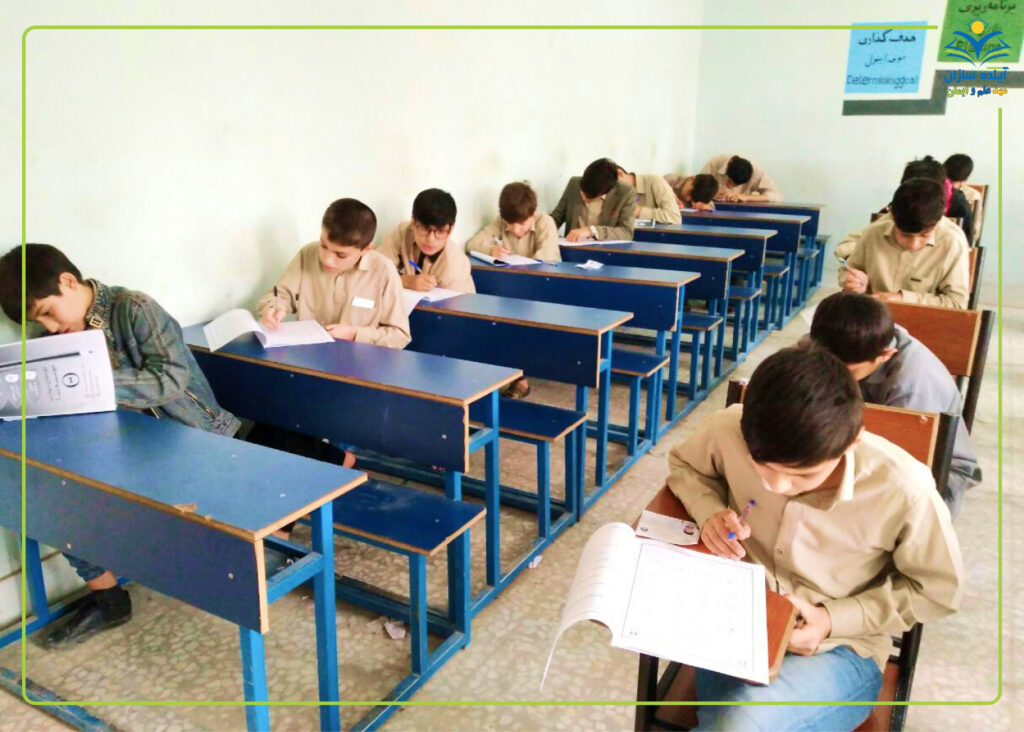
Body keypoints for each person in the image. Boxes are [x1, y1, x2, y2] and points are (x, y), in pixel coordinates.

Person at [665, 346, 962, 730]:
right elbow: (685, 465)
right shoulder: (728, 428)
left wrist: (830, 619)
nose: (776, 486)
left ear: (852, 443)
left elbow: (937, 590)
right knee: (737, 722)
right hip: (738, 621)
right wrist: (709, 512)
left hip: (839, 648)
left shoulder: (903, 489)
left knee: (740, 723)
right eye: (761, 467)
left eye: (802, 475)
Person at [0, 243, 241, 647]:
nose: (49, 326)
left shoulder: (133, 308)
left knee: (78, 498)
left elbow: (170, 380)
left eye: (47, 312)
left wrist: (89, 380)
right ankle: (109, 599)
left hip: (191, 439)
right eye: (37, 320)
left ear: (68, 282)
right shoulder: (54, 340)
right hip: (125, 449)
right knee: (48, 492)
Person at [810, 291, 981, 517]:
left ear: (885, 355)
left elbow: (901, 464)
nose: (835, 373)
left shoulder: (912, 387)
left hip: (934, 468)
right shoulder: (834, 340)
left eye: (848, 370)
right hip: (858, 438)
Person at [258, 197, 410, 348]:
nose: (327, 260)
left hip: (358, 358)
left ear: (366, 249)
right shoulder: (308, 254)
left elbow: (399, 336)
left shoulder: (384, 271)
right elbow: (280, 295)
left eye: (341, 255)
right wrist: (274, 308)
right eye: (323, 246)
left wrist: (355, 334)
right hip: (308, 354)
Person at [839, 178, 970, 309]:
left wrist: (902, 298)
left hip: (924, 319)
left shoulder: (952, 242)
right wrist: (852, 281)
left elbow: (957, 303)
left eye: (924, 235)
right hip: (872, 315)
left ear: (939, 219)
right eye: (905, 235)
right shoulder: (874, 234)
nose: (914, 244)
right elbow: (848, 270)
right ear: (892, 216)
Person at [378, 188, 475, 293]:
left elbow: (453, 303)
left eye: (440, 231)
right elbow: (376, 271)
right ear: (413, 222)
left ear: (451, 229)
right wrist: (406, 281)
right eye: (424, 228)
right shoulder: (402, 232)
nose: (430, 239)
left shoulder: (455, 264)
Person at [465, 181, 560, 262]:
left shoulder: (546, 222)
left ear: (534, 212)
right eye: (510, 223)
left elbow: (544, 260)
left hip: (545, 276)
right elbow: (471, 244)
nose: (515, 230)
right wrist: (490, 250)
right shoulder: (502, 220)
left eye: (522, 223)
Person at [550, 158, 635, 242]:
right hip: (572, 246)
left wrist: (592, 230)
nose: (582, 196)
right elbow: (556, 218)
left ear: (604, 192)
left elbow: (626, 233)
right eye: (582, 190)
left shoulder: (626, 193)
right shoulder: (574, 184)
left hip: (604, 249)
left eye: (588, 195)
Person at [699, 153, 782, 202]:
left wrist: (747, 197)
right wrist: (713, 194)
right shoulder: (715, 163)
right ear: (726, 170)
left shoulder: (757, 172)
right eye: (729, 182)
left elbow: (777, 196)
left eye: (735, 185)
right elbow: (697, 189)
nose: (730, 187)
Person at [615, 165, 681, 224]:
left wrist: (638, 211)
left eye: (612, 185)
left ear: (620, 173)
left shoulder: (655, 181)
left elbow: (674, 217)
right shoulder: (615, 195)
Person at [944, 153, 982, 243]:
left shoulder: (972, 196)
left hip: (954, 242)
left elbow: (973, 234)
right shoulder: (933, 188)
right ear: (965, 180)